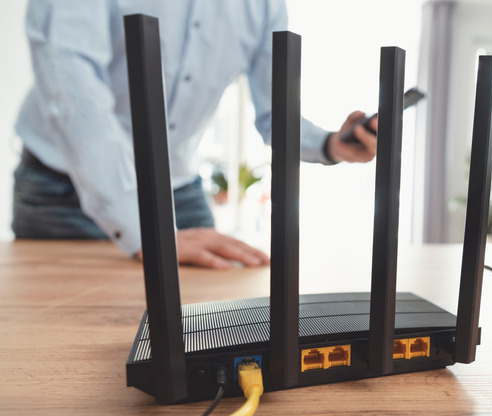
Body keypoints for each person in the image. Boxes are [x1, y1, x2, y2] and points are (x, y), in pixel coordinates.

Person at [13, 0, 378, 269]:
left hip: (178, 189)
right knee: (68, 332)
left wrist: (331, 145)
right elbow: (73, 94)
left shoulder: (263, 6)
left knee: (202, 322)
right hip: (65, 191)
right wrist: (146, 231)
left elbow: (275, 114)